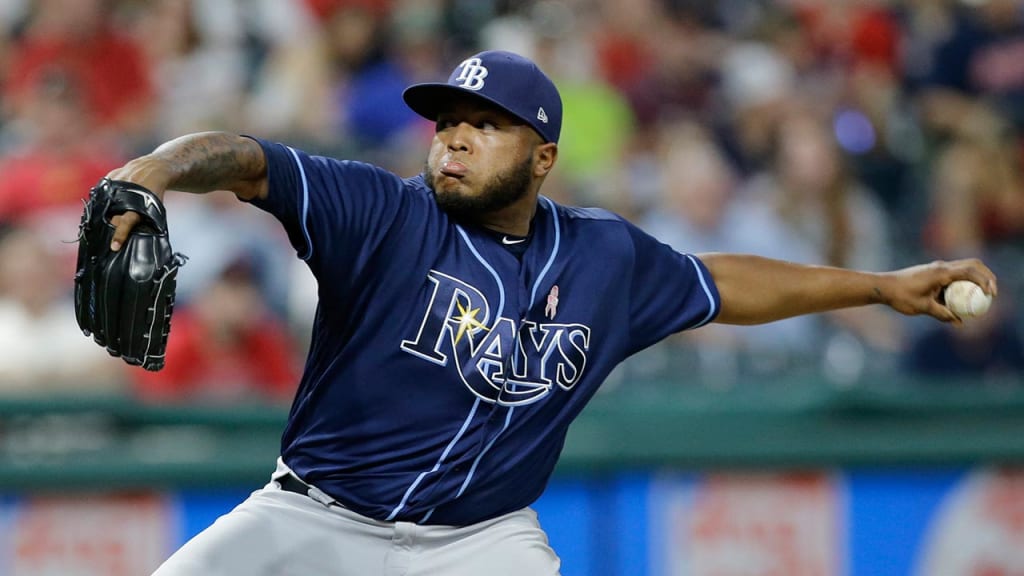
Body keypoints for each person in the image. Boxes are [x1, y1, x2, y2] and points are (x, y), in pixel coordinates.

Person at [102, 50, 996, 576]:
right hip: (315, 518)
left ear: (543, 157)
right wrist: (149, 173)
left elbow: (726, 283)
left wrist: (879, 286)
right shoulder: (379, 211)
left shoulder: (607, 257)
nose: (453, 135)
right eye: (446, 118)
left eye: (483, 123)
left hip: (478, 543)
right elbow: (246, 159)